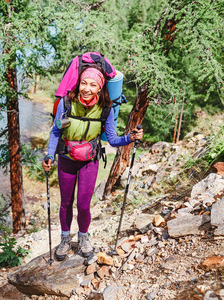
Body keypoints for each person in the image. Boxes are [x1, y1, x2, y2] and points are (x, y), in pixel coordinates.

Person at [42, 65, 143, 260]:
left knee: (84, 205)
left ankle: (83, 238)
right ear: (78, 83)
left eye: (93, 85)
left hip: (89, 161)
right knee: (65, 203)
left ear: (100, 88)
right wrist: (49, 155)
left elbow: (112, 140)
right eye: (84, 83)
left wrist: (130, 137)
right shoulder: (66, 103)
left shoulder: (105, 109)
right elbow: (56, 131)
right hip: (66, 159)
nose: (87, 88)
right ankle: (64, 239)